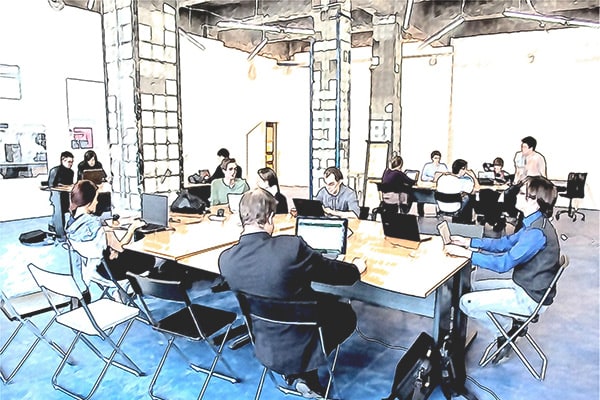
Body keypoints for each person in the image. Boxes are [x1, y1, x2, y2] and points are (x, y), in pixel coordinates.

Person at [219, 188, 367, 398]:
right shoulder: (291, 248)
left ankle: (299, 374)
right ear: (271, 217)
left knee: (314, 302)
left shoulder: (226, 260)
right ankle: (304, 370)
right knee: (346, 315)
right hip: (300, 332)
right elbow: (335, 274)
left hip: (264, 341)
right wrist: (356, 269)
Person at [445, 176, 559, 364]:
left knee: (466, 302)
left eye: (521, 193)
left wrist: (468, 254)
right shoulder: (533, 223)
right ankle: (510, 327)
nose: (516, 195)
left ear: (534, 201)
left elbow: (503, 264)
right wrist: (469, 242)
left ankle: (506, 332)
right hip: (525, 285)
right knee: (471, 286)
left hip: (529, 297)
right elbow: (504, 243)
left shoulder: (536, 233)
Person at [65, 180, 156, 300]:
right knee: (150, 258)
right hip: (111, 272)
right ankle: (128, 289)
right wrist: (132, 228)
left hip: (93, 271)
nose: (97, 202)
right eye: (96, 199)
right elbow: (121, 247)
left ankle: (126, 291)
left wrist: (110, 242)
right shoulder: (96, 225)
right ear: (88, 201)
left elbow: (100, 243)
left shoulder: (71, 225)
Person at [435, 159, 479, 224]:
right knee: (470, 197)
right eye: (465, 169)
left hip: (442, 208)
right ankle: (467, 221)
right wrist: (473, 176)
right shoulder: (461, 182)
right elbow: (477, 189)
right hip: (454, 210)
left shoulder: (441, 178)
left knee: (464, 196)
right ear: (462, 169)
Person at [48, 151, 75, 240]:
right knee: (59, 213)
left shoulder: (71, 172)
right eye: (69, 162)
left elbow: (70, 184)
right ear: (63, 160)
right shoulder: (55, 170)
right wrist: (62, 186)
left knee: (68, 210)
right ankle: (60, 234)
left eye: (72, 162)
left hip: (66, 194)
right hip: (57, 194)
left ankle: (52, 225)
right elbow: (51, 185)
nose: (71, 164)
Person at [418, 150, 449, 216]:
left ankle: (440, 211)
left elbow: (447, 175)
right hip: (430, 185)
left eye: (438, 158)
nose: (437, 160)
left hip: (440, 185)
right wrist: (431, 179)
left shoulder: (443, 166)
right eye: (435, 158)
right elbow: (423, 177)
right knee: (421, 196)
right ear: (432, 158)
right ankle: (420, 213)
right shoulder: (427, 166)